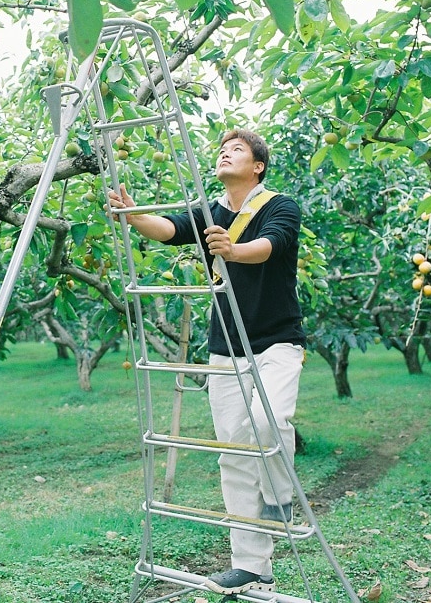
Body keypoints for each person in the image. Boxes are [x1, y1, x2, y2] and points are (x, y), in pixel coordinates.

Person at [107, 128, 306, 598]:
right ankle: (251, 566)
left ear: (257, 165)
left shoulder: (280, 206)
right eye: (222, 149)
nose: (225, 153)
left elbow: (271, 246)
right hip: (226, 346)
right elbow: (170, 229)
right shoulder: (211, 211)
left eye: (237, 149)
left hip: (276, 341)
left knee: (269, 420)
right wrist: (132, 213)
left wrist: (232, 250)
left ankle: (281, 497)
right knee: (234, 452)